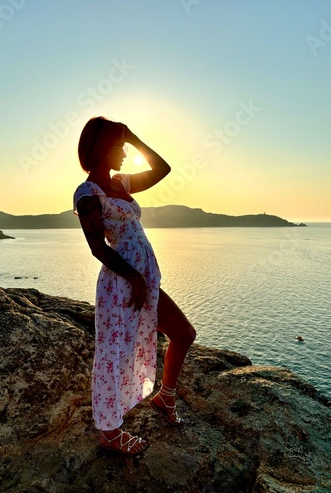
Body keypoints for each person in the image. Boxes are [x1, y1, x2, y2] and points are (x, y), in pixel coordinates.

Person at [73, 116, 196, 456]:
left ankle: (164, 397)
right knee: (113, 355)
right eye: (118, 146)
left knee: (184, 333)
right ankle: (109, 432)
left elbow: (163, 169)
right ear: (99, 149)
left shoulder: (122, 184)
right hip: (122, 284)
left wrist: (134, 137)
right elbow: (98, 247)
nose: (125, 153)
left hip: (145, 281)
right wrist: (135, 278)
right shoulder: (88, 193)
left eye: (125, 146)